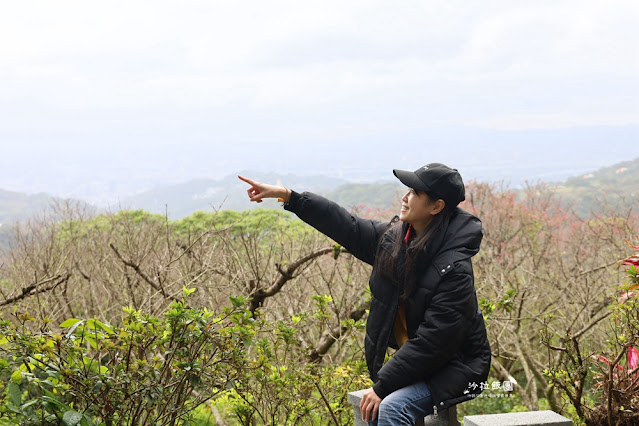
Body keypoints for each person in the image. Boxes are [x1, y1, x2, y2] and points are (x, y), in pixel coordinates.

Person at [239, 163, 490, 426]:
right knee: (373, 407)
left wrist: (384, 386)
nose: (405, 198)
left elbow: (434, 341)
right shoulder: (396, 240)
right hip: (424, 364)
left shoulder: (454, 269)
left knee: (391, 408)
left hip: (457, 367)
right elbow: (346, 225)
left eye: (415, 192)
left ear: (436, 207)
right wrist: (289, 196)